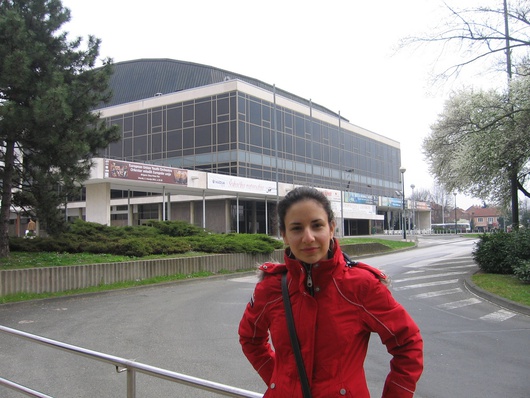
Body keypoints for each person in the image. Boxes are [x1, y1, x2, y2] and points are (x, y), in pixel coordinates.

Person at [238, 187, 423, 397]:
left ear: (332, 228)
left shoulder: (361, 286)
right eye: (297, 228)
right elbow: (250, 338)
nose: (308, 237)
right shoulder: (270, 289)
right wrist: (280, 382)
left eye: (317, 225)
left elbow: (408, 343)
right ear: (285, 236)